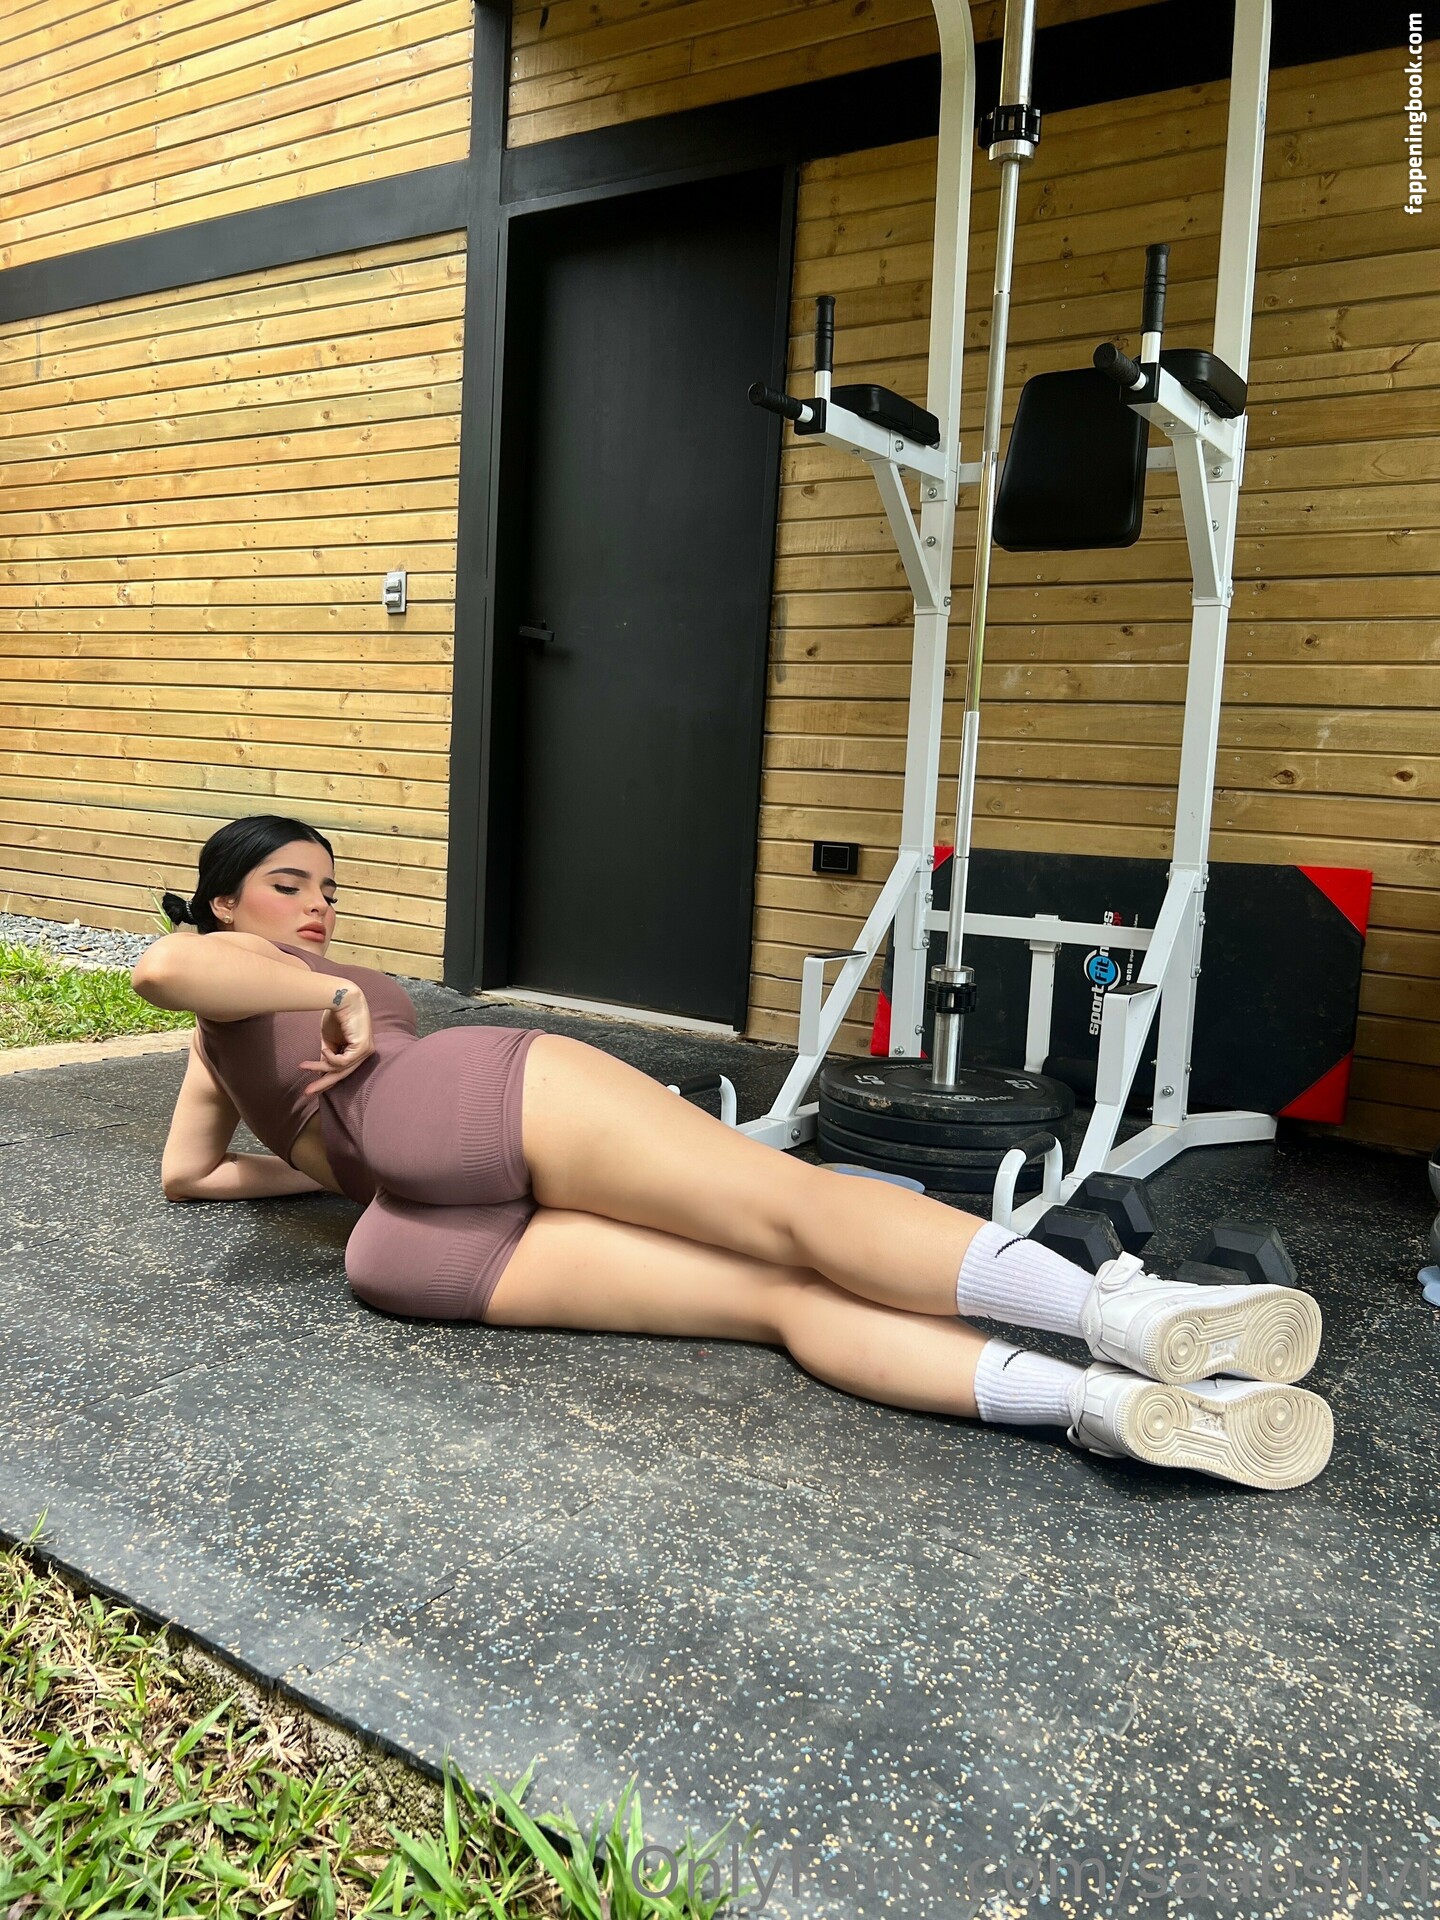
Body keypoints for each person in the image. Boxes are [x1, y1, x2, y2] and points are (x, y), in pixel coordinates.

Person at [133, 814, 1334, 1491]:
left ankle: (1101, 1404)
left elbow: (195, 1176)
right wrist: (337, 996)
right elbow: (161, 965)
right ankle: (1120, 1317)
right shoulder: (245, 965)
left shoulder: (219, 1048)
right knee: (787, 1208)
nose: (318, 908)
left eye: (329, 890)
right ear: (222, 902)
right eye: (287, 886)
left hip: (397, 1243)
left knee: (780, 1302)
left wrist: (330, 1170)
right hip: (445, 1106)